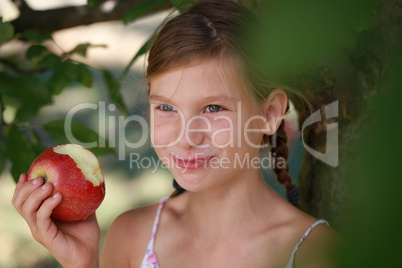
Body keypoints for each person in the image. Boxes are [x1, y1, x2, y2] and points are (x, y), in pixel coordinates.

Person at [12, 1, 337, 267]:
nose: (186, 137)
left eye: (213, 108)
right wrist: (81, 265)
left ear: (269, 114)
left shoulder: (316, 254)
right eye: (166, 108)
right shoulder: (132, 237)